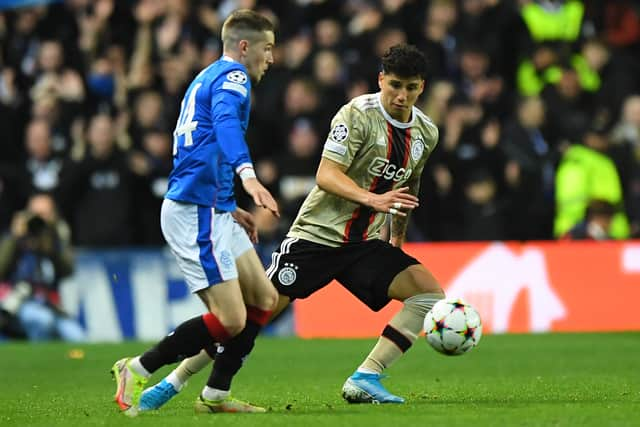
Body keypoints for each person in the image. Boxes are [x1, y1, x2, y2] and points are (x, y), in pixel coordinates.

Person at [139, 44, 446, 409]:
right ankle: (175, 381)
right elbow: (326, 175)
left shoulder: (426, 132)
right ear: (381, 79)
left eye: (410, 87)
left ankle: (367, 376)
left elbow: (408, 186)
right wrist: (373, 200)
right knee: (251, 317)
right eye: (395, 84)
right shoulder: (356, 116)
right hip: (316, 237)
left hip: (363, 243)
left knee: (429, 294)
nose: (401, 95)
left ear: (421, 87)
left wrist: (396, 234)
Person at [110, 9, 280, 416]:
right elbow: (225, 127)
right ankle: (137, 367)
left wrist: (228, 204)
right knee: (232, 318)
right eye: (267, 49)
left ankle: (216, 395)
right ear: (244, 46)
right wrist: (249, 177)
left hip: (212, 207)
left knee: (265, 299)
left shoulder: (205, 77)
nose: (271, 59)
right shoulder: (234, 78)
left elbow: (200, 149)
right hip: (194, 212)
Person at [0, 193, 83, 341]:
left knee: (77, 336)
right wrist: (14, 238)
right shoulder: (15, 239)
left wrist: (51, 244)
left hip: (49, 305)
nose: (39, 219)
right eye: (35, 214)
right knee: (41, 320)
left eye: (44, 214)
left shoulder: (55, 238)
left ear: (53, 216)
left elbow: (68, 270)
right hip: (18, 305)